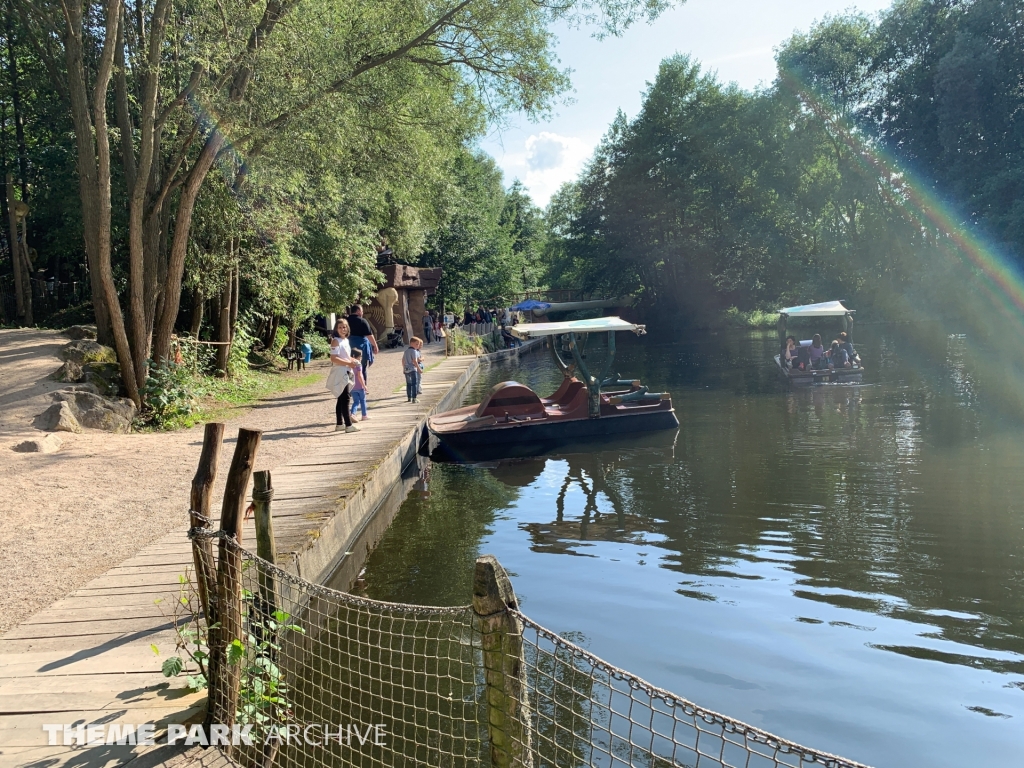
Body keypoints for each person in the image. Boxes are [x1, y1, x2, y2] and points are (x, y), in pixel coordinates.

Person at [326, 319, 361, 433]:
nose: (343, 329)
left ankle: (339, 423)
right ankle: (348, 425)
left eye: (344, 327)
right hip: (341, 371)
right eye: (340, 327)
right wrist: (348, 363)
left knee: (341, 398)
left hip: (348, 370)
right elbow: (333, 358)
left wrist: (354, 361)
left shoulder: (345, 340)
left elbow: (346, 356)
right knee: (345, 398)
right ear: (336, 329)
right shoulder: (335, 341)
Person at [346, 304, 378, 382]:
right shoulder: (362, 321)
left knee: (349, 367)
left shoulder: (345, 321)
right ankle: (363, 385)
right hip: (361, 347)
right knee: (362, 367)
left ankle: (350, 385)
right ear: (358, 311)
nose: (362, 313)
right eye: (362, 311)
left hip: (348, 346)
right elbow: (369, 335)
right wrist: (375, 345)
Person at [403, 336, 425, 403]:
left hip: (406, 369)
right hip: (412, 369)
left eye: (418, 344)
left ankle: (409, 397)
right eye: (416, 344)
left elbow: (403, 360)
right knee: (414, 383)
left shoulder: (406, 351)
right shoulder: (414, 351)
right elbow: (415, 361)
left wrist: (403, 368)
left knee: (408, 384)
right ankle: (414, 398)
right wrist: (419, 369)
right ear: (411, 343)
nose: (418, 346)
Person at [349, 349, 369, 420]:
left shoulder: (349, 364)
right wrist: (364, 386)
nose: (361, 358)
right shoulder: (358, 364)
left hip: (353, 386)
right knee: (363, 400)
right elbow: (360, 376)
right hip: (360, 386)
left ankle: (353, 413)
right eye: (360, 357)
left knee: (356, 402)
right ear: (355, 356)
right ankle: (364, 415)